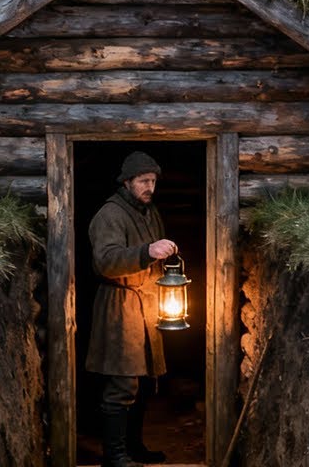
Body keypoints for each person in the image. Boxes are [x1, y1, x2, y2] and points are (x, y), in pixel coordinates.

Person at [86, 151, 178, 467]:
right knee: (121, 383)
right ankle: (115, 455)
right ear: (127, 182)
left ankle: (134, 447)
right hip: (120, 306)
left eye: (152, 181)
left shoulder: (149, 212)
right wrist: (146, 251)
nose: (149, 186)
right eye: (143, 181)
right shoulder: (110, 215)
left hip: (147, 304)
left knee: (144, 379)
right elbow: (106, 261)